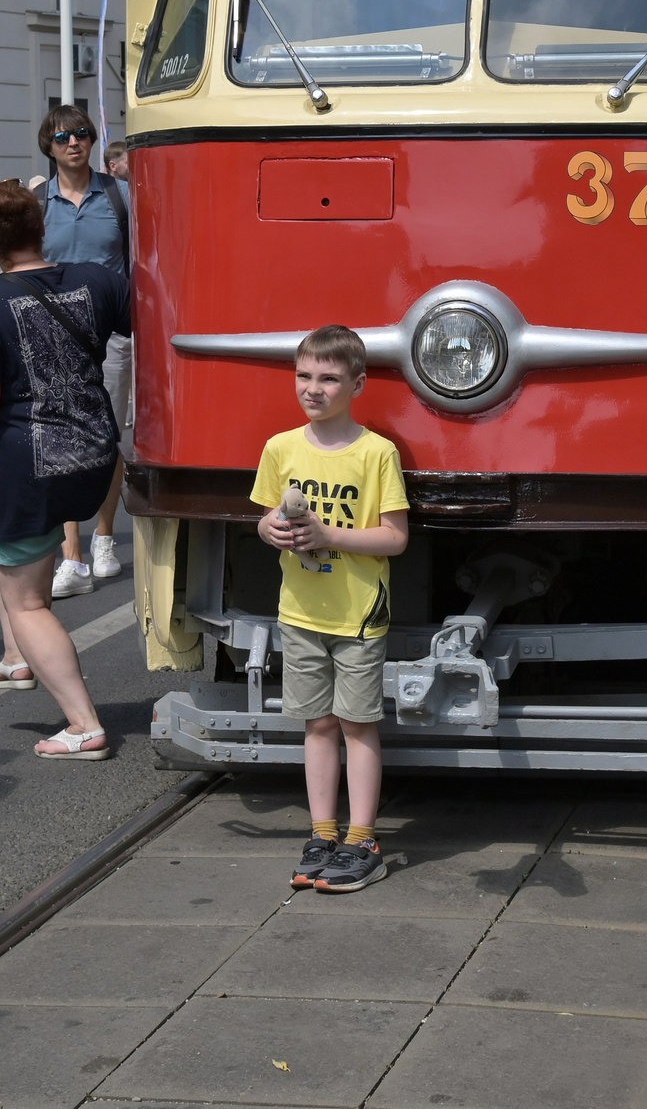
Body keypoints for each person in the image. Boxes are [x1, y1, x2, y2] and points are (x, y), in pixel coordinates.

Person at [0, 182, 125, 752]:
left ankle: (82, 723)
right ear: (42, 228)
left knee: (28, 602)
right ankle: (19, 660)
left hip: (28, 464)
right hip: (94, 454)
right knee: (8, 570)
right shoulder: (96, 281)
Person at [252, 326, 410, 894]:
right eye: (304, 376)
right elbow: (269, 519)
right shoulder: (281, 448)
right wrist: (269, 528)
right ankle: (323, 834)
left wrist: (328, 532)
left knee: (357, 725)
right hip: (300, 611)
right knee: (317, 725)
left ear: (358, 384)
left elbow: (394, 539)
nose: (312, 389)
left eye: (328, 379)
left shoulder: (376, 453)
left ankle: (363, 838)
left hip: (358, 616)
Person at [32, 105, 132, 598]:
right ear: (48, 146)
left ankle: (105, 537)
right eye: (62, 137)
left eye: (82, 135)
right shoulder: (36, 202)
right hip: (53, 334)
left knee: (107, 433)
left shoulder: (120, 195)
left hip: (112, 332)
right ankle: (72, 554)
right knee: (65, 437)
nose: (73, 143)